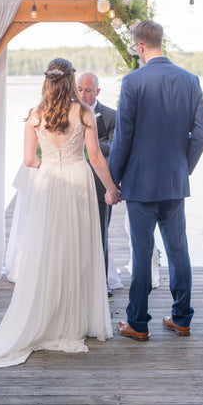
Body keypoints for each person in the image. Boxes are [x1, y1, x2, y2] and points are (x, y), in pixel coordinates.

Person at [0, 58, 120, 370]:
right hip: (78, 180)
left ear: (47, 82)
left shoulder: (35, 115)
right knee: (78, 248)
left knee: (47, 248)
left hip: (48, 183)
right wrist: (111, 188)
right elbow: (95, 157)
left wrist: (50, 160)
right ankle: (75, 319)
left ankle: (45, 314)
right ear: (71, 82)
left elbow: (29, 161)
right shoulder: (85, 113)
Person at [109, 19, 203, 341]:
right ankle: (182, 319)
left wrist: (113, 180)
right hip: (174, 182)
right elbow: (202, 133)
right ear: (160, 42)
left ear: (139, 46)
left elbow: (123, 137)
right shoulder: (190, 80)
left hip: (140, 184)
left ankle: (138, 324)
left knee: (142, 254)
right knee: (178, 250)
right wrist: (184, 167)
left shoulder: (133, 81)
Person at [77, 73, 116, 296]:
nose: (83, 94)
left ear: (97, 92)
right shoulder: (69, 114)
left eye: (88, 90)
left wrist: (90, 143)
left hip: (99, 183)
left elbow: (115, 146)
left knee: (101, 233)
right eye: (80, 89)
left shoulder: (110, 116)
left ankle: (102, 283)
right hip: (72, 183)